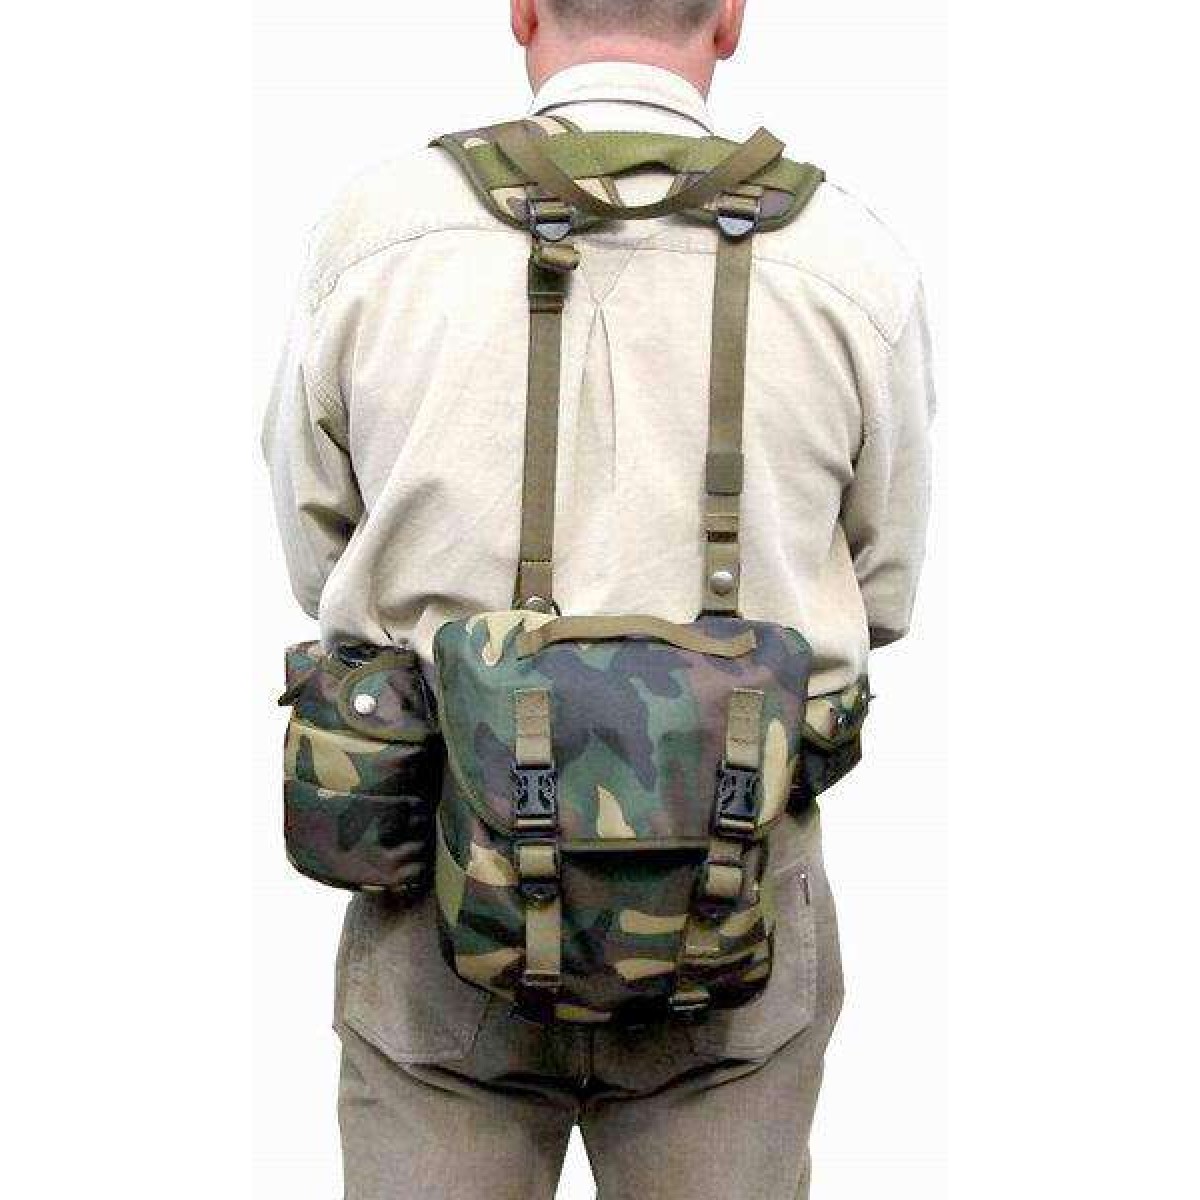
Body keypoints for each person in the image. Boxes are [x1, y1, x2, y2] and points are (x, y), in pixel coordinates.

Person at [263, 1, 934, 1195]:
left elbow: (320, 556)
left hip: (442, 893)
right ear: (730, 18)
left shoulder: (375, 234)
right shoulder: (851, 261)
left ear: (523, 8)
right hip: (735, 888)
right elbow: (881, 587)